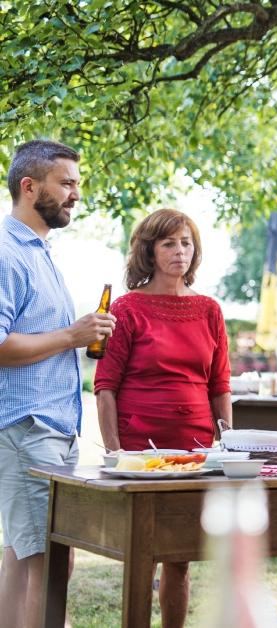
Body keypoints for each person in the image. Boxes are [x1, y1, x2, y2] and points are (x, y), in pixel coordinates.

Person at [91, 208, 231, 628]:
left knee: (180, 558)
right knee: (141, 557)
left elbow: (220, 385)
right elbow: (105, 386)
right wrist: (115, 452)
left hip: (197, 451)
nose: (179, 251)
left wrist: (227, 444)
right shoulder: (127, 308)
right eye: (169, 243)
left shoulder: (209, 310)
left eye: (186, 242)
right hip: (139, 453)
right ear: (149, 251)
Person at [0, 140, 114, 628]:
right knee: (47, 564)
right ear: (30, 187)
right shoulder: (7, 253)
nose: (75, 195)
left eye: (77, 185)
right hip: (28, 429)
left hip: (52, 430)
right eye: (66, 184)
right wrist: (73, 334)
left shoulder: (39, 251)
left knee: (23, 556)